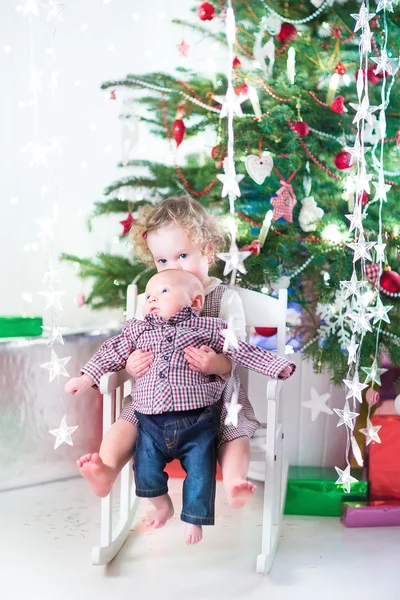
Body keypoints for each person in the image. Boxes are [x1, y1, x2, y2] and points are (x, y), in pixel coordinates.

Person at [72, 196, 285, 510]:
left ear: (208, 250)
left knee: (234, 429)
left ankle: (235, 480)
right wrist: (130, 364)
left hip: (215, 395)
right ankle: (106, 468)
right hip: (153, 393)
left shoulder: (224, 299)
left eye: (182, 255)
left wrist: (217, 362)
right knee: (126, 420)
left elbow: (237, 349)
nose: (171, 268)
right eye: (162, 261)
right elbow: (131, 342)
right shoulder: (153, 296)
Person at [66, 270, 295, 544]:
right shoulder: (138, 330)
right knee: (146, 473)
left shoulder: (209, 329)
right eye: (149, 295)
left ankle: (195, 520)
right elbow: (110, 351)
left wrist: (277, 366)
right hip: (148, 422)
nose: (152, 299)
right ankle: (162, 505)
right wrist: (86, 377)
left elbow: (240, 350)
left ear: (195, 302)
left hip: (198, 421)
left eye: (163, 292)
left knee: (200, 472)